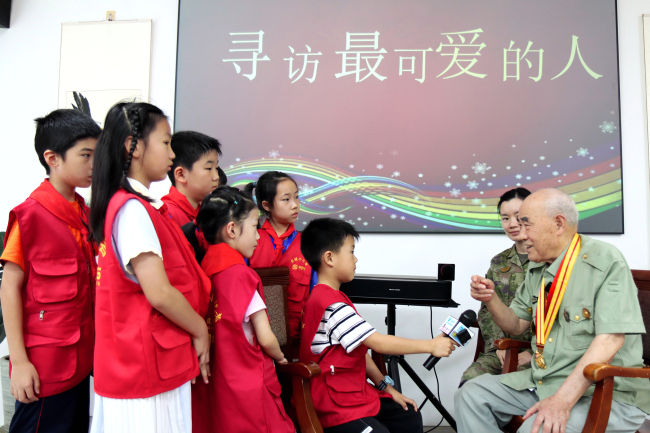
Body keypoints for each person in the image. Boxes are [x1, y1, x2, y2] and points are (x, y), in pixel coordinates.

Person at [456, 188, 650, 433]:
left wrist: (561, 402)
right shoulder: (538, 267)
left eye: (526, 224)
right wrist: (491, 298)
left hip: (604, 390)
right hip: (546, 380)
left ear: (558, 224)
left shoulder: (605, 261)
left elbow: (610, 339)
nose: (521, 234)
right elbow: (515, 325)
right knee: (471, 394)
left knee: (536, 427)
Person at [88, 102, 211, 433]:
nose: (172, 154)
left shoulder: (132, 205)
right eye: (166, 142)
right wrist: (200, 330)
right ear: (134, 146)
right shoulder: (132, 210)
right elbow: (159, 293)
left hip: (146, 357)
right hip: (145, 363)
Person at [300, 218, 458, 433]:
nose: (356, 258)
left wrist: (387, 388)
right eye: (351, 252)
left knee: (408, 415)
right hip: (336, 404)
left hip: (354, 393)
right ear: (329, 258)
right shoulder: (331, 304)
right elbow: (378, 343)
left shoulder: (334, 298)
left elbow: (360, 350)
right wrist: (431, 345)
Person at [0, 109, 100, 432]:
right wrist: (19, 362)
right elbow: (9, 288)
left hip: (80, 361)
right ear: (52, 158)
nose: (94, 164)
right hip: (45, 368)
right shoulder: (30, 216)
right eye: (86, 155)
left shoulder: (84, 213)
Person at [191, 186, 294, 433]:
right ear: (232, 230)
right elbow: (265, 337)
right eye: (255, 227)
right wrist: (279, 356)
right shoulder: (241, 275)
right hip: (247, 386)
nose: (258, 236)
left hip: (215, 384)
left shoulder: (201, 272)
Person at [461, 187, 533, 385]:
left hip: (540, 354)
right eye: (505, 218)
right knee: (469, 382)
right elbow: (487, 311)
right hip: (501, 350)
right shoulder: (499, 262)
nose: (512, 224)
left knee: (515, 388)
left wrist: (534, 353)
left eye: (518, 216)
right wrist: (498, 345)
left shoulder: (550, 260)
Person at [246, 171, 316, 342]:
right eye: (286, 199)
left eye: (297, 197)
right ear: (266, 205)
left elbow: (315, 294)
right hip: (255, 338)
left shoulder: (309, 245)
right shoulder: (250, 242)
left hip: (296, 339)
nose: (295, 205)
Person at [162, 130, 222, 226]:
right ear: (181, 174)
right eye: (209, 168)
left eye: (216, 168)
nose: (216, 177)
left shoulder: (204, 213)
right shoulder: (167, 214)